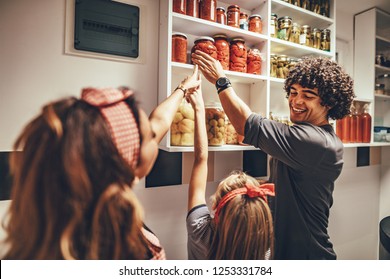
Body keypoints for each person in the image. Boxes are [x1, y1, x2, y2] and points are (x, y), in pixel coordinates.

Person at [2, 66, 201, 260]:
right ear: (124, 163)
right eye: (150, 136)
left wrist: (182, 89)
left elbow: (159, 121)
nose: (154, 133)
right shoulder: (132, 253)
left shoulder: (41, 235)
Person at [192, 51, 355, 260]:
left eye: (308, 95)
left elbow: (244, 124)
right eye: (293, 92)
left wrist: (221, 81)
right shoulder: (316, 137)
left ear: (329, 103)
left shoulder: (313, 141)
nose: (296, 100)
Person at [185, 78, 275, 259]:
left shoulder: (201, 231)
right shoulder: (263, 249)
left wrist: (198, 108)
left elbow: (201, 160)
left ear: (215, 208)